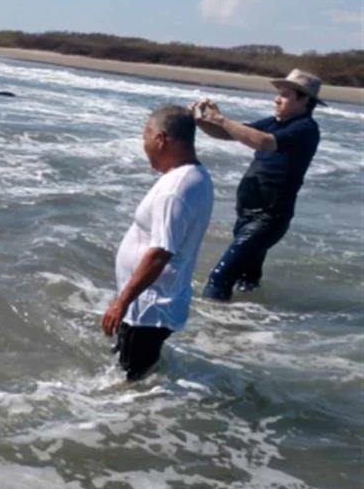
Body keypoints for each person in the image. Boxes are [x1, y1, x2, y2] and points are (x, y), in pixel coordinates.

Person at [101, 105, 214, 382]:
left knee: (131, 386)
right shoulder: (195, 177)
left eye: (146, 138)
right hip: (155, 305)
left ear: (161, 139)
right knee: (138, 377)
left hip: (149, 308)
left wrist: (122, 302)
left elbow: (160, 252)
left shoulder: (175, 190)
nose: (145, 146)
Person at [193, 69, 324, 301]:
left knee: (219, 278)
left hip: (268, 218)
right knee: (247, 279)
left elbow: (264, 143)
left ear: (304, 100)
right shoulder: (274, 122)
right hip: (247, 214)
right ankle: (248, 321)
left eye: (285, 95)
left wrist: (222, 118)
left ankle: (206, 328)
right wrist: (200, 121)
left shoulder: (305, 128)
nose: (277, 99)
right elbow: (228, 134)